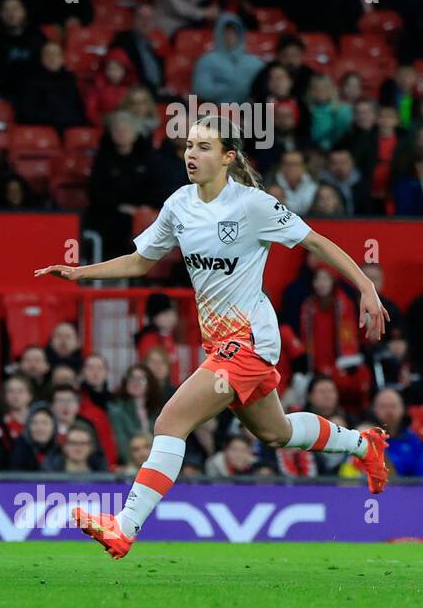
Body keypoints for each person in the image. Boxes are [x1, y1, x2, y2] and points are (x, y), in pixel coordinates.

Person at [36, 115, 391, 559]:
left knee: (169, 423)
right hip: (220, 343)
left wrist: (365, 286)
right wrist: (79, 271)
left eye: (204, 147)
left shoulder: (254, 205)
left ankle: (124, 527)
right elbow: (140, 261)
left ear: (227, 158)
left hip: (248, 341)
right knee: (277, 433)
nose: (191, 153)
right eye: (188, 145)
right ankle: (365, 444)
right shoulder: (179, 205)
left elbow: (316, 242)